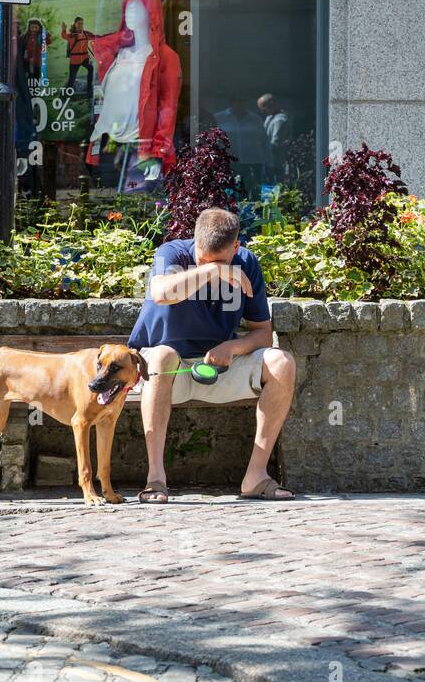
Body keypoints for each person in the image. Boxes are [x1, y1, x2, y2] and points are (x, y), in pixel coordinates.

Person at [128, 208, 298, 503]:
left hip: (218, 368)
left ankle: (255, 477)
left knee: (282, 363)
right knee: (161, 356)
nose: (212, 266)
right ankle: (155, 479)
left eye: (221, 260)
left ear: (237, 246)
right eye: (204, 258)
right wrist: (212, 270)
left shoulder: (247, 263)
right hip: (168, 373)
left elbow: (262, 333)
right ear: (194, 242)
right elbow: (160, 293)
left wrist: (232, 348)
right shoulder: (171, 253)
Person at [258, 93, 292, 173]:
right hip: (268, 161)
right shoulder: (270, 117)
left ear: (271, 105)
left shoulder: (279, 120)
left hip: (275, 163)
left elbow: (275, 143)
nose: (262, 112)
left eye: (264, 108)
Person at [61, 17, 94, 94]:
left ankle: (89, 88)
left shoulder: (86, 34)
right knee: (72, 79)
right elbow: (63, 35)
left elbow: (96, 37)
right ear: (75, 24)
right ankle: (66, 95)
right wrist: (63, 29)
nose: (80, 25)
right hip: (75, 60)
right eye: (79, 23)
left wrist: (108, 37)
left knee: (91, 68)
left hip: (85, 58)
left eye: (82, 23)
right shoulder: (72, 35)